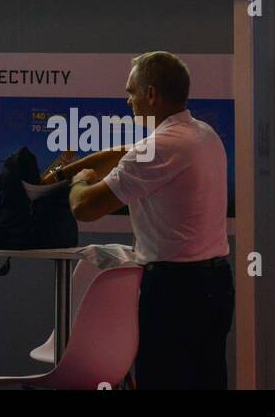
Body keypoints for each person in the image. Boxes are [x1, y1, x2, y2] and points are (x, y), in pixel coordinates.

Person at [43, 51, 232, 389]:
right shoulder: (202, 134)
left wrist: (78, 181)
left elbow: (85, 208)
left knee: (162, 379)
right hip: (214, 284)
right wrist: (61, 171)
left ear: (151, 94)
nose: (127, 99)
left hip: (175, 291)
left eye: (130, 91)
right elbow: (121, 153)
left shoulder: (161, 146)